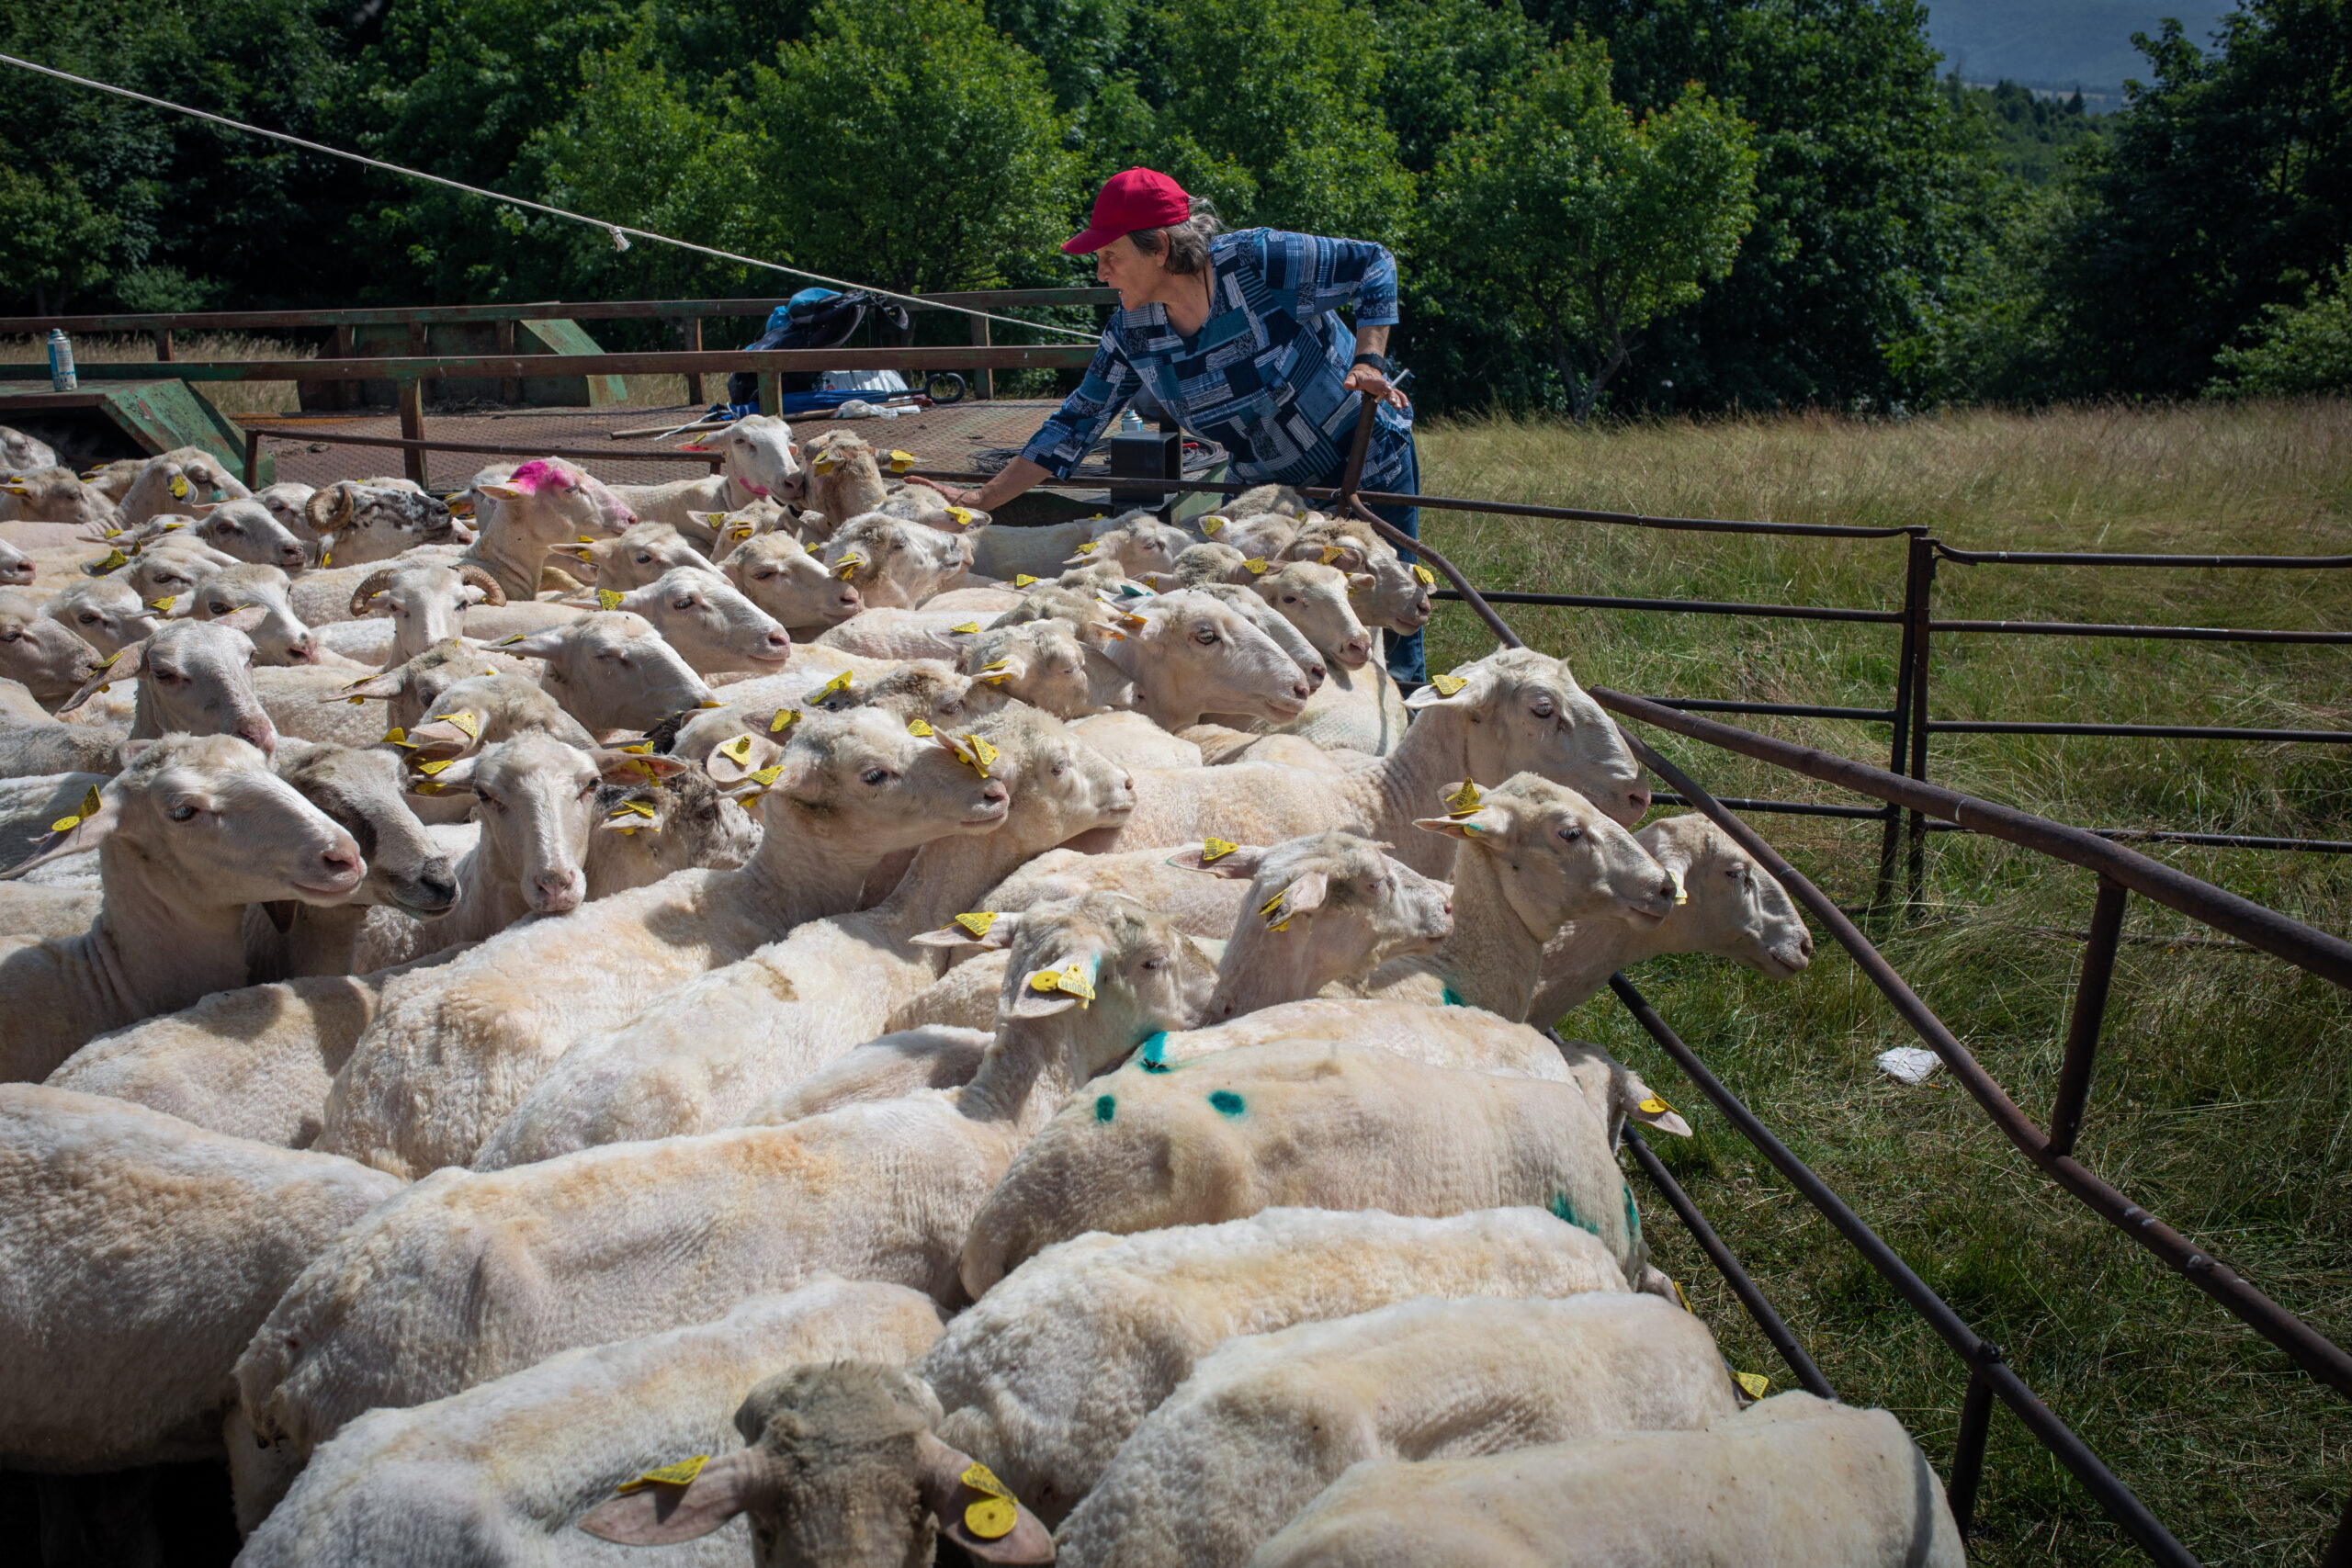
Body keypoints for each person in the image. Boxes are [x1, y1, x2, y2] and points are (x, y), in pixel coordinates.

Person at [910, 167, 1428, 685]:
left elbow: (1373, 262)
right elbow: (1076, 421)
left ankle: (1406, 710)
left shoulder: (1256, 262)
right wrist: (978, 501)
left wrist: (1370, 360)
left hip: (1365, 460)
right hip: (1272, 495)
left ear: (1158, 247)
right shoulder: (1134, 329)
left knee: (1394, 611)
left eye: (1110, 256)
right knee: (1275, 623)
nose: (1101, 273)